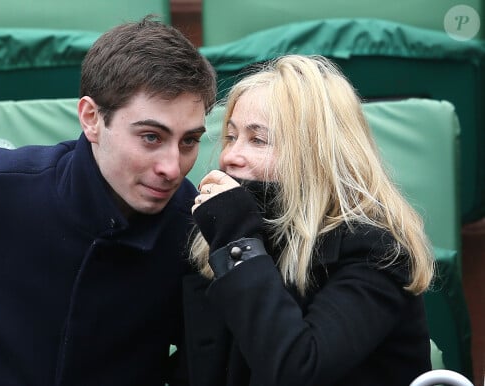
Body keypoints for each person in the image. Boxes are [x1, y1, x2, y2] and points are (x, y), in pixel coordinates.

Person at [0, 16, 216, 385]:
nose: (172, 167)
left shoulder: (194, 228)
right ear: (91, 118)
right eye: (151, 137)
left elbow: (207, 362)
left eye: (189, 141)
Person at [183, 55, 435, 386]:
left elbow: (298, 369)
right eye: (231, 137)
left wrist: (237, 245)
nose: (230, 156)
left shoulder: (376, 249)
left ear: (314, 155)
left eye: (257, 139)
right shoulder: (228, 227)